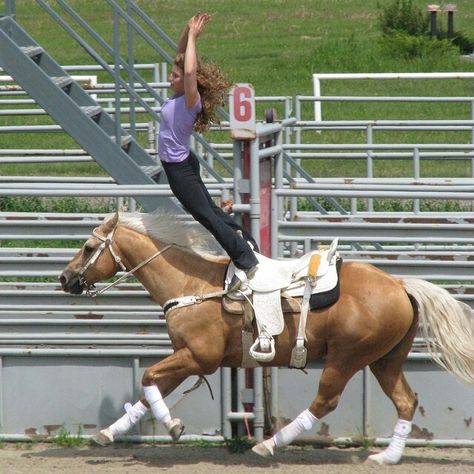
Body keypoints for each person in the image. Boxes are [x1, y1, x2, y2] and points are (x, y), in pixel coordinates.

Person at [158, 13, 258, 290]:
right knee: (210, 210)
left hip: (179, 170)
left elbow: (189, 71)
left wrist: (191, 38)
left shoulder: (191, 101)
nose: (170, 78)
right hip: (184, 162)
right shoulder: (180, 95)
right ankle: (244, 238)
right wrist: (188, 33)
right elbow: (183, 60)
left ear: (188, 82)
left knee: (205, 216)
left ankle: (245, 260)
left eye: (174, 76)